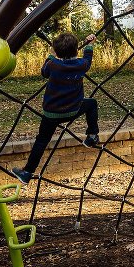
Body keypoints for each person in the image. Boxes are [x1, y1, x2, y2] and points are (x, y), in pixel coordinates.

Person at [12, 32, 98, 184]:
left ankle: (27, 172)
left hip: (51, 114)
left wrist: (51, 54)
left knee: (42, 141)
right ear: (76, 51)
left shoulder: (53, 65)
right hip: (73, 110)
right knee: (92, 104)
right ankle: (92, 135)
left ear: (57, 51)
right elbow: (88, 59)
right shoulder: (81, 65)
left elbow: (44, 72)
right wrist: (89, 44)